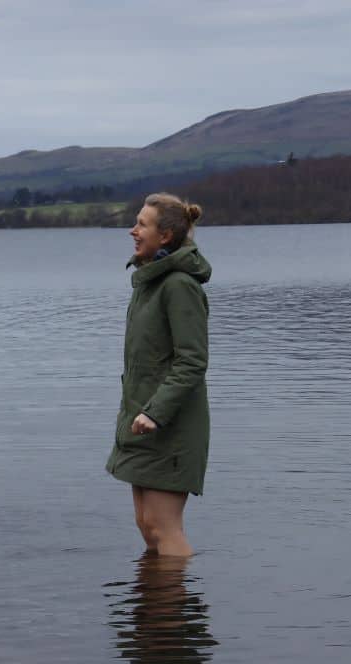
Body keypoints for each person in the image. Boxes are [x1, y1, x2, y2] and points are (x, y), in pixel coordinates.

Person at [106, 193, 211, 557]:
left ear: (165, 236)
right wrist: (139, 412)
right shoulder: (149, 281)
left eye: (142, 224)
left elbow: (192, 361)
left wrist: (155, 412)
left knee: (164, 529)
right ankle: (155, 611)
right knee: (148, 527)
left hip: (170, 425)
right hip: (141, 420)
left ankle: (172, 613)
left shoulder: (179, 285)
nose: (132, 230)